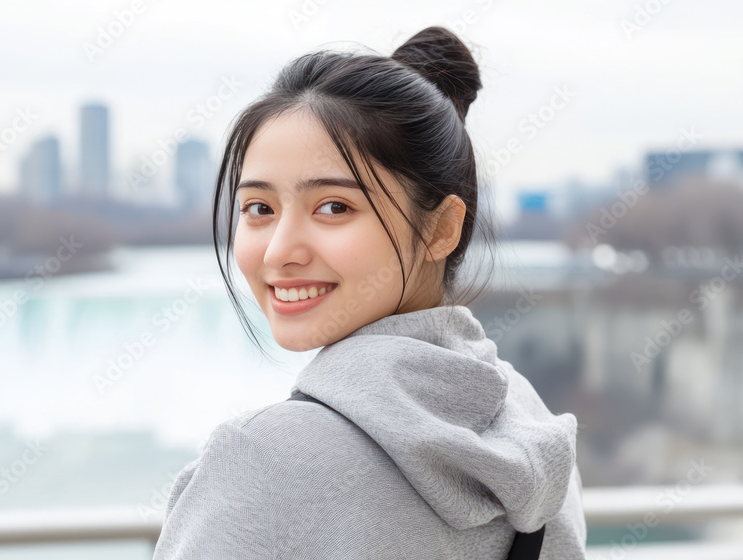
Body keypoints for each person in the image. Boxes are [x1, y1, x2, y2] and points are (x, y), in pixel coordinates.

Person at [152, 26, 586, 559]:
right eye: (259, 209)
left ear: (442, 228)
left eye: (334, 207)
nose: (278, 251)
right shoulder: (530, 428)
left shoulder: (263, 461)